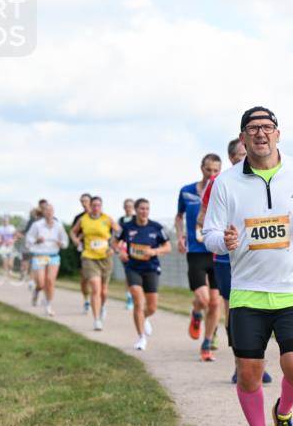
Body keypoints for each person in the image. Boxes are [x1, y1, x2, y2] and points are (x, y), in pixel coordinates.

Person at [203, 106, 293, 426]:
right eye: (252, 128)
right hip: (247, 290)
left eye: (267, 127)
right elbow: (209, 233)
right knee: (248, 372)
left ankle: (284, 412)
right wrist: (223, 240)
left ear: (278, 134)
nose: (260, 133)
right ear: (243, 138)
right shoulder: (226, 183)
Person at [199, 138, 271, 382]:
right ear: (232, 158)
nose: (247, 155)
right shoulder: (221, 183)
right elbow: (203, 220)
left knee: (263, 307)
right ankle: (240, 363)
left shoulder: (264, 180)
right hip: (227, 260)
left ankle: (258, 361)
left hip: (260, 255)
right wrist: (223, 235)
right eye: (241, 153)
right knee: (236, 312)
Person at [176, 154, 224, 361]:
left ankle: (206, 344)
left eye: (216, 171)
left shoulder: (221, 190)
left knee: (215, 302)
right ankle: (196, 313)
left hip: (217, 252)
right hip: (195, 252)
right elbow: (179, 217)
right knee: (203, 299)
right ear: (201, 168)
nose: (212, 174)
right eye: (208, 170)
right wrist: (180, 237)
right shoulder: (186, 191)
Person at [116, 198, 171, 350]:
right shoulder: (126, 227)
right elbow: (115, 242)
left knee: (152, 307)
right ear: (135, 210)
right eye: (141, 208)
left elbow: (168, 247)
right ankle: (141, 337)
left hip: (151, 268)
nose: (144, 211)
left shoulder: (155, 227)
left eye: (147, 208)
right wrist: (121, 251)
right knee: (138, 300)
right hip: (132, 267)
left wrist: (154, 251)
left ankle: (144, 317)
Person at [70, 196, 119, 331]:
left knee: (103, 291)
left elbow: (120, 232)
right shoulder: (83, 219)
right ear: (90, 206)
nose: (96, 208)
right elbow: (73, 232)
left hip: (105, 257)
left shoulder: (107, 219)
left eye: (99, 205)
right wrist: (76, 240)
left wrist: (113, 247)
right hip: (89, 257)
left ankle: (102, 307)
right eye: (94, 205)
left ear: (101, 206)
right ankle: (96, 319)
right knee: (95, 288)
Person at [25, 203, 68, 316]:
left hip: (53, 256)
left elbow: (65, 242)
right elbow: (28, 240)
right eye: (47, 210)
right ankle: (37, 291)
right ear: (43, 212)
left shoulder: (58, 225)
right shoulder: (37, 225)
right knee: (41, 283)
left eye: (51, 210)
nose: (49, 212)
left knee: (50, 281)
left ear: (53, 212)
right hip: (40, 255)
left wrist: (61, 244)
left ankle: (48, 306)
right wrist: (36, 240)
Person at [71, 193, 92, 313]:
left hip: (98, 251)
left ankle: (96, 300)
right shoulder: (79, 217)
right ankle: (86, 300)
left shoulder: (100, 216)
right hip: (83, 250)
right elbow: (73, 232)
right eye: (82, 201)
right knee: (85, 278)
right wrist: (76, 240)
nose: (84, 204)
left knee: (95, 278)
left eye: (86, 201)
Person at [119, 198, 137, 311]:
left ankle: (137, 295)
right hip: (125, 250)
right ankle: (129, 297)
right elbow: (118, 236)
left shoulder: (137, 219)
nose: (128, 208)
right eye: (126, 206)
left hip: (138, 249)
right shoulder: (121, 220)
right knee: (128, 274)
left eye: (130, 206)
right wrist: (120, 249)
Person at [0, 216, 17, 280]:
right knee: (4, 261)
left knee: (10, 262)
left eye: (6, 221)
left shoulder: (12, 228)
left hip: (11, 246)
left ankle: (10, 271)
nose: (5, 222)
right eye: (4, 221)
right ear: (2, 221)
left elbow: (15, 236)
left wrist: (13, 241)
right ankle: (5, 273)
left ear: (8, 221)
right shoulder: (0, 228)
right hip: (3, 246)